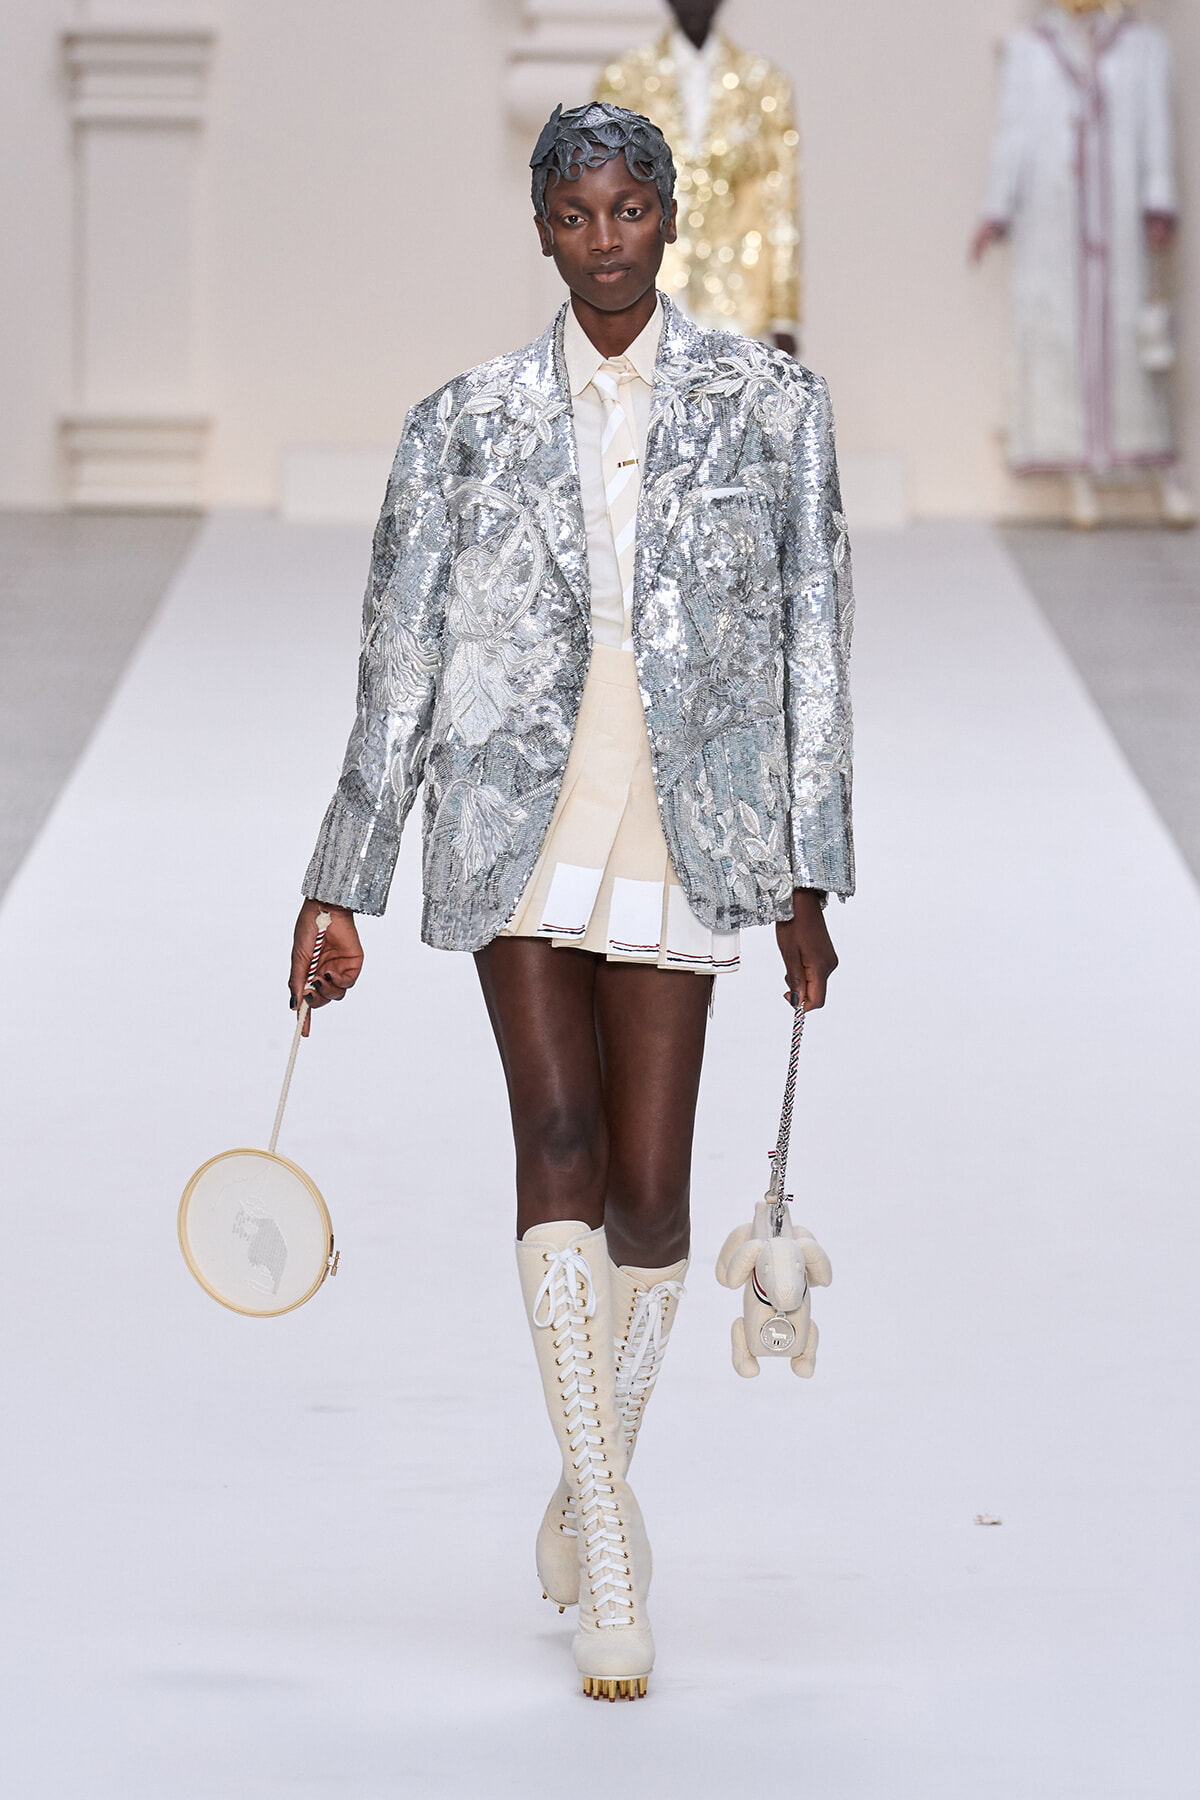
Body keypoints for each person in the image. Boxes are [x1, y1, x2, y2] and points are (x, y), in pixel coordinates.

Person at [288, 100, 853, 1702]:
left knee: (658, 1199)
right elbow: (396, 669)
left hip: (688, 815)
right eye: (575, 215)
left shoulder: (771, 408)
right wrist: (341, 884)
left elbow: (817, 646)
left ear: (670, 220)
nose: (604, 242)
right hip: (512, 811)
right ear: (539, 229)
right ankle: (609, 1536)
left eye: (629, 212)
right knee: (557, 1144)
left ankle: (582, 1466)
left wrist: (810, 876)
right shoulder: (458, 421)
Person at [972, 0, 1195, 528]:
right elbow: (1013, 134)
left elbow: (1157, 129)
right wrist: (996, 208)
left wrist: (1158, 198)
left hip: (1118, 225)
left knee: (1133, 345)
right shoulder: (1031, 48)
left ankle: (1156, 468)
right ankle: (1077, 475)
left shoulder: (1142, 46)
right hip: (1052, 224)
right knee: (1057, 340)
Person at [596, 1, 802, 354]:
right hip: (648, 285)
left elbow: (779, 200)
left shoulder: (763, 85)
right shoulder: (624, 81)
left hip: (737, 291)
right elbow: (602, 196)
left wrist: (783, 313)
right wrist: (603, 295)